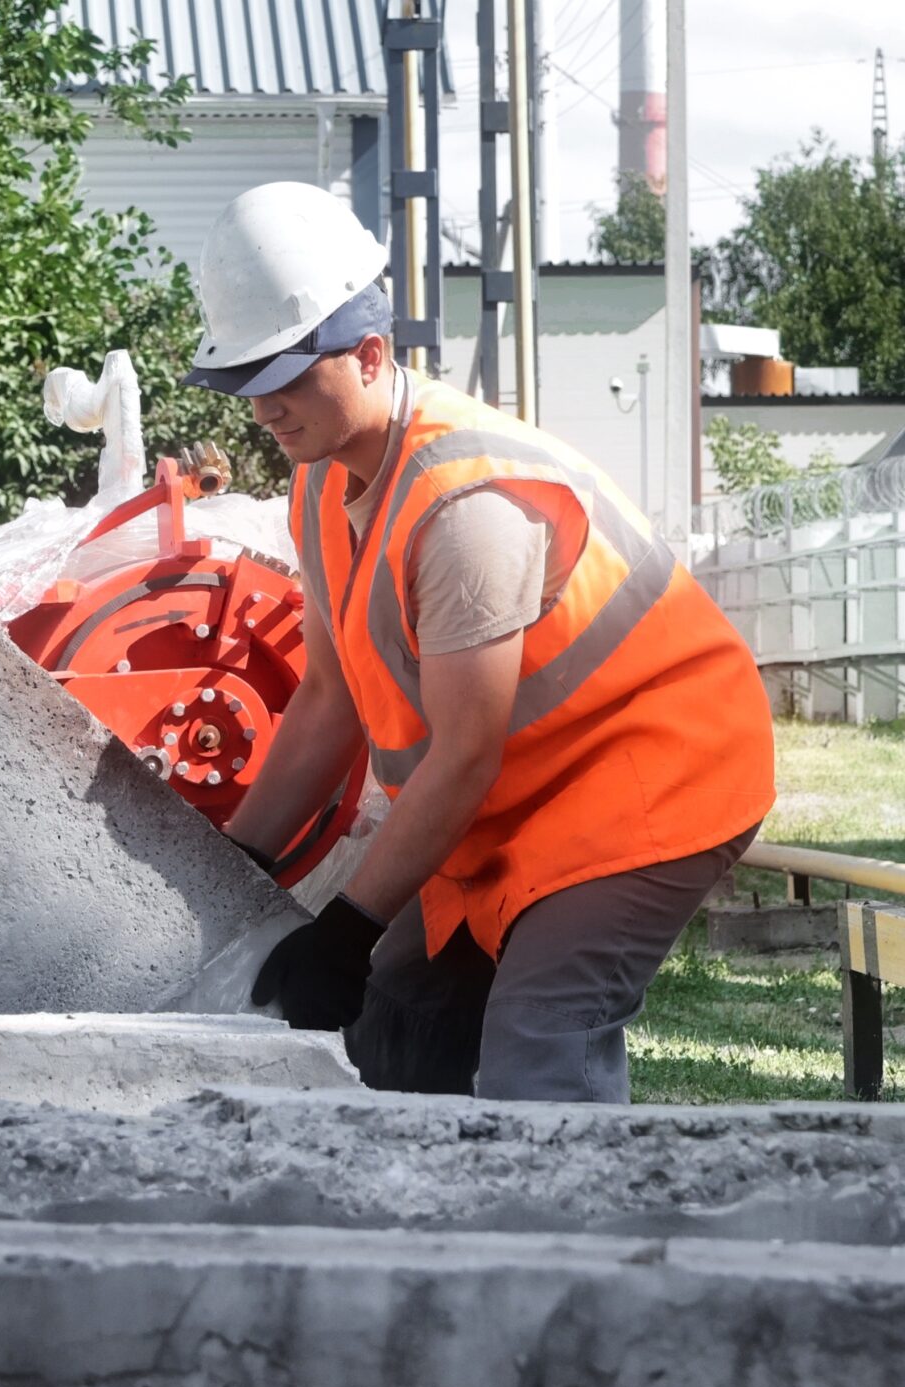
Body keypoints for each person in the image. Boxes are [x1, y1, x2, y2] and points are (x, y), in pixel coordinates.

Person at [189, 182, 774, 1104]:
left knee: (540, 1045)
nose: (264, 409)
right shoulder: (320, 482)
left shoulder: (466, 510)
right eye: (243, 383)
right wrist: (231, 866)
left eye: (285, 377)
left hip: (646, 780)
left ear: (370, 354)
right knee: (398, 1023)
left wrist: (347, 928)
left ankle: (585, 1243)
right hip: (517, 794)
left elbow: (463, 754)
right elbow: (329, 700)